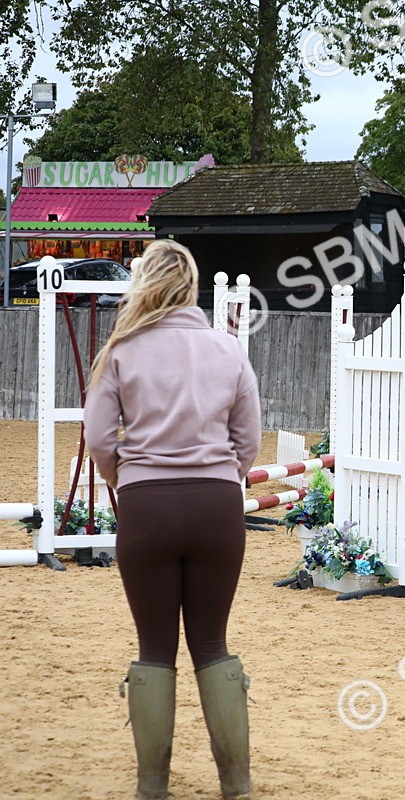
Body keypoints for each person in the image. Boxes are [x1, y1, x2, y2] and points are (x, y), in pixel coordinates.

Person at [83, 240, 261, 800]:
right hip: (216, 506)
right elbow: (248, 440)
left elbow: (97, 439)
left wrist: (125, 479)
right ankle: (236, 784)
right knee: (211, 642)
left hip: (146, 507)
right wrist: (221, 478)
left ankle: (152, 786)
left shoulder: (121, 351)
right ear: (191, 285)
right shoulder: (228, 349)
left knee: (154, 648)